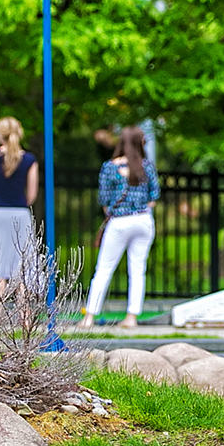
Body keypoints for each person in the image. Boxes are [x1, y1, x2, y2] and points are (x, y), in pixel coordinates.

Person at [81, 126, 160, 330]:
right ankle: (131, 317)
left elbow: (104, 199)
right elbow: (154, 197)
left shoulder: (109, 167)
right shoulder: (147, 167)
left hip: (119, 221)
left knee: (104, 269)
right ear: (140, 143)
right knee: (137, 270)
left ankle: (89, 317)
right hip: (143, 221)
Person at [0, 116, 39, 302]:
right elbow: (31, 195)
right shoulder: (29, 159)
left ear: (0, 134)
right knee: (23, 266)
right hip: (20, 214)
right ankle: (26, 318)